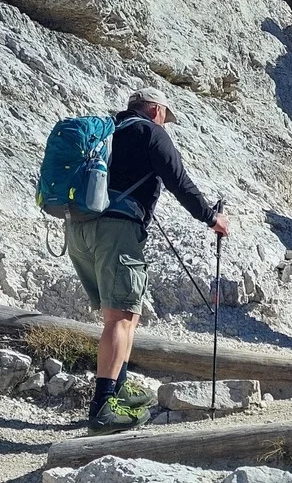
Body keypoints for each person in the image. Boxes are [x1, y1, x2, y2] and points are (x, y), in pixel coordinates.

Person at [67, 88, 230, 435]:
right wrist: (211, 218)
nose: (165, 123)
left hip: (79, 227)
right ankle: (102, 408)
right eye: (165, 117)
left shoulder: (106, 129)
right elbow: (178, 180)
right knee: (121, 317)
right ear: (156, 110)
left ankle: (119, 388)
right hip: (116, 230)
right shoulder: (150, 133)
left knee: (127, 314)